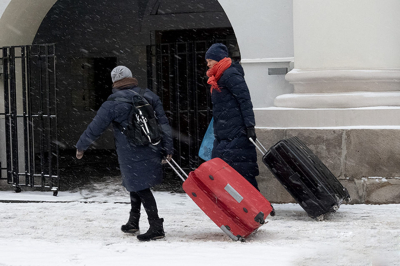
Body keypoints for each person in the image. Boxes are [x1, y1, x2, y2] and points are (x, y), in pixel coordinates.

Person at [75, 66, 173, 241]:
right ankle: (133, 222)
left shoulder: (112, 103)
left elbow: (95, 128)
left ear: (114, 82)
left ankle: (156, 226)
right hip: (152, 147)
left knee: (140, 186)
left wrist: (81, 146)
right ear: (131, 78)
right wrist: (168, 148)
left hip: (130, 151)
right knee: (135, 183)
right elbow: (163, 123)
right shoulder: (149, 95)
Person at [205, 43, 260, 190]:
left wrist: (249, 126)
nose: (208, 64)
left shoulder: (230, 74)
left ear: (218, 59)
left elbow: (244, 100)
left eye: (210, 60)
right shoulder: (219, 77)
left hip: (236, 131)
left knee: (242, 170)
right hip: (225, 132)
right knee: (226, 170)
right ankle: (242, 207)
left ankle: (258, 206)